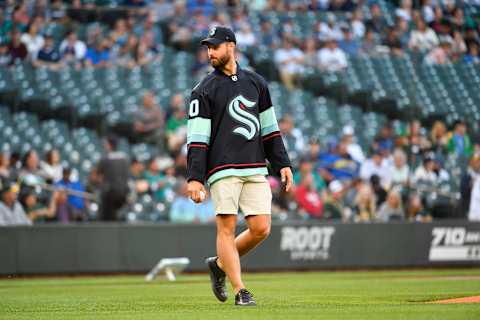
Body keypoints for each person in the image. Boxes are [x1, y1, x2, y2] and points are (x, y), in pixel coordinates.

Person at [186, 26, 292, 306]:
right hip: (222, 169)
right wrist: (195, 178)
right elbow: (196, 139)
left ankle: (218, 265)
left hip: (255, 166)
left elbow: (270, 129)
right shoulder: (203, 89)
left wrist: (282, 163)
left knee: (261, 228)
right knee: (226, 228)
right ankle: (240, 290)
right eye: (208, 47)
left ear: (231, 46)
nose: (210, 52)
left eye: (215, 46)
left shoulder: (257, 83)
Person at [97, 136, 130, 221]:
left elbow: (98, 176)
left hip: (110, 194)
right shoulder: (124, 158)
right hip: (124, 193)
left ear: (109, 145)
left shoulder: (105, 159)